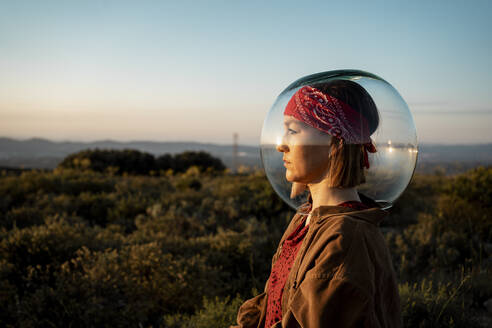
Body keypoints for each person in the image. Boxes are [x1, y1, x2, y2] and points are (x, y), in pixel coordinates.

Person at [231, 80, 402, 328]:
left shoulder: (344, 239)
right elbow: (272, 305)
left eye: (293, 131)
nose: (281, 144)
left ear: (334, 143)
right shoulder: (307, 218)